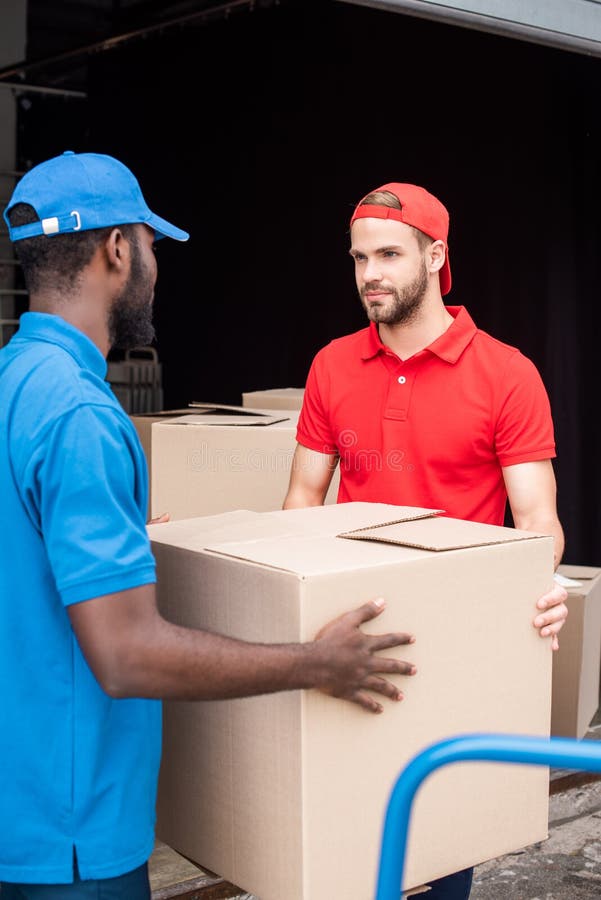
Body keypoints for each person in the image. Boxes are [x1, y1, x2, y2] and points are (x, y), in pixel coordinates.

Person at [0, 153, 418, 900]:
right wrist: (313, 664)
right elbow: (126, 656)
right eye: (151, 246)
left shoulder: (15, 381)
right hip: (71, 840)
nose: (156, 266)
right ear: (117, 250)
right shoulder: (82, 415)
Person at [283, 181, 569, 899]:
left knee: (438, 844)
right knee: (341, 839)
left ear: (435, 255)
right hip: (349, 632)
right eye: (357, 258)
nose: (368, 274)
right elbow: (300, 502)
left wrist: (541, 586)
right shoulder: (329, 365)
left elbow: (536, 521)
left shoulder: (507, 375)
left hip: (455, 639)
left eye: (386, 254)